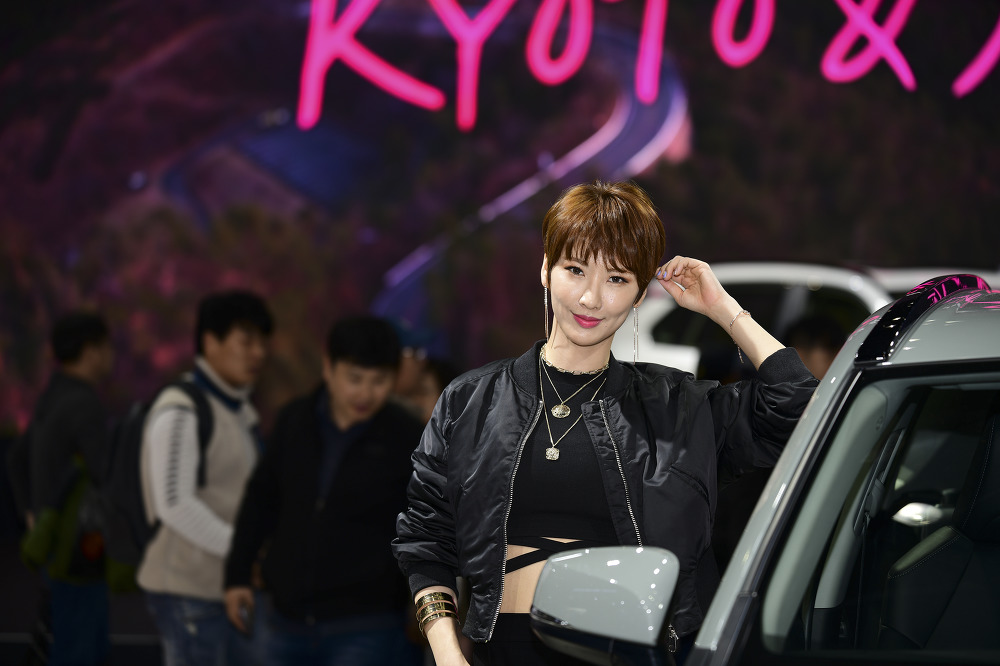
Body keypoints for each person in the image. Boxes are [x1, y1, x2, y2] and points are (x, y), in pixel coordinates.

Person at [392, 181, 818, 665]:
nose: (591, 298)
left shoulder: (678, 407)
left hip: (630, 653)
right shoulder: (470, 401)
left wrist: (723, 308)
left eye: (617, 278)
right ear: (546, 269)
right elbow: (426, 540)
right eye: (575, 270)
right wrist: (448, 655)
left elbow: (798, 407)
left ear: (639, 295)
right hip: (502, 651)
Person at [223, 315, 425, 665]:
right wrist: (237, 576)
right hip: (284, 616)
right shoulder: (294, 421)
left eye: (379, 381)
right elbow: (261, 501)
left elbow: (426, 526)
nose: (365, 394)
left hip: (367, 623)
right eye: (355, 379)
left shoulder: (407, 436)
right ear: (329, 368)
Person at [137, 289, 273, 666]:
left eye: (263, 342)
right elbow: (175, 504)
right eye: (246, 341)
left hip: (227, 585)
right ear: (210, 341)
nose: (258, 353)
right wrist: (243, 550)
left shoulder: (236, 408)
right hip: (190, 589)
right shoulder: (181, 409)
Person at [14, 310, 115, 666]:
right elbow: (104, 474)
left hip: (55, 543)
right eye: (106, 347)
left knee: (66, 637)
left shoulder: (52, 396)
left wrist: (32, 513)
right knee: (81, 648)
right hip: (79, 549)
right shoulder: (84, 404)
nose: (110, 356)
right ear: (90, 351)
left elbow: (16, 458)